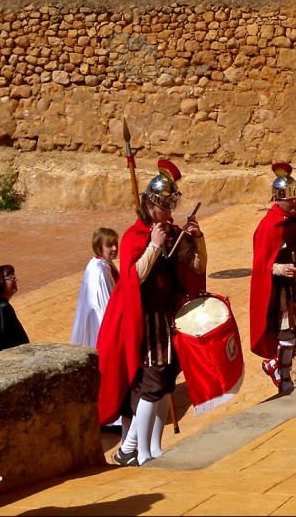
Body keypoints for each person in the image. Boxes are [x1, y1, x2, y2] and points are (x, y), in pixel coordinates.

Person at [97, 158, 208, 466]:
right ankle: (138, 451)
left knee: (166, 385)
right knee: (152, 385)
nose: (170, 213)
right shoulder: (136, 235)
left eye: (172, 207)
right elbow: (134, 278)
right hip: (147, 321)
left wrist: (196, 240)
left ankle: (154, 447)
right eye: (166, 207)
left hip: (170, 315)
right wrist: (153, 246)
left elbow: (196, 267)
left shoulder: (169, 232)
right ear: (152, 205)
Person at [249, 163, 296, 395]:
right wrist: (280, 269)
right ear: (277, 198)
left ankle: (275, 365)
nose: (294, 203)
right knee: (287, 335)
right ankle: (283, 376)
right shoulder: (269, 226)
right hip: (281, 289)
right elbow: (262, 264)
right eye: (289, 199)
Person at [70, 227, 120, 348]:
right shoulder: (97, 270)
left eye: (115, 244)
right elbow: (100, 307)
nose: (114, 248)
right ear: (99, 247)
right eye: (109, 245)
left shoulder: (106, 264)